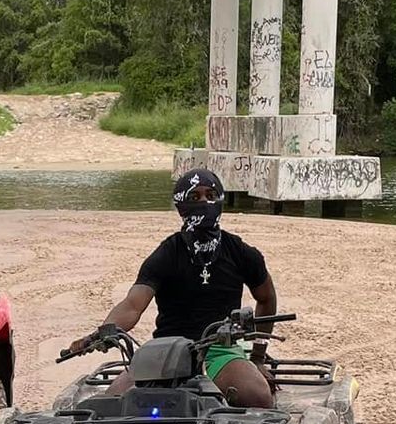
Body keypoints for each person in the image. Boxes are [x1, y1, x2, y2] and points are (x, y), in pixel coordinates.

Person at [68, 168, 277, 409]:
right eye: (194, 197)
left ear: (220, 200)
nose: (204, 202)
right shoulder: (166, 254)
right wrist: (102, 333)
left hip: (220, 349)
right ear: (181, 206)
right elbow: (133, 304)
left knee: (258, 396)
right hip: (167, 350)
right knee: (115, 401)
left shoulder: (241, 252)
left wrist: (258, 356)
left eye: (211, 195)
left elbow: (266, 298)